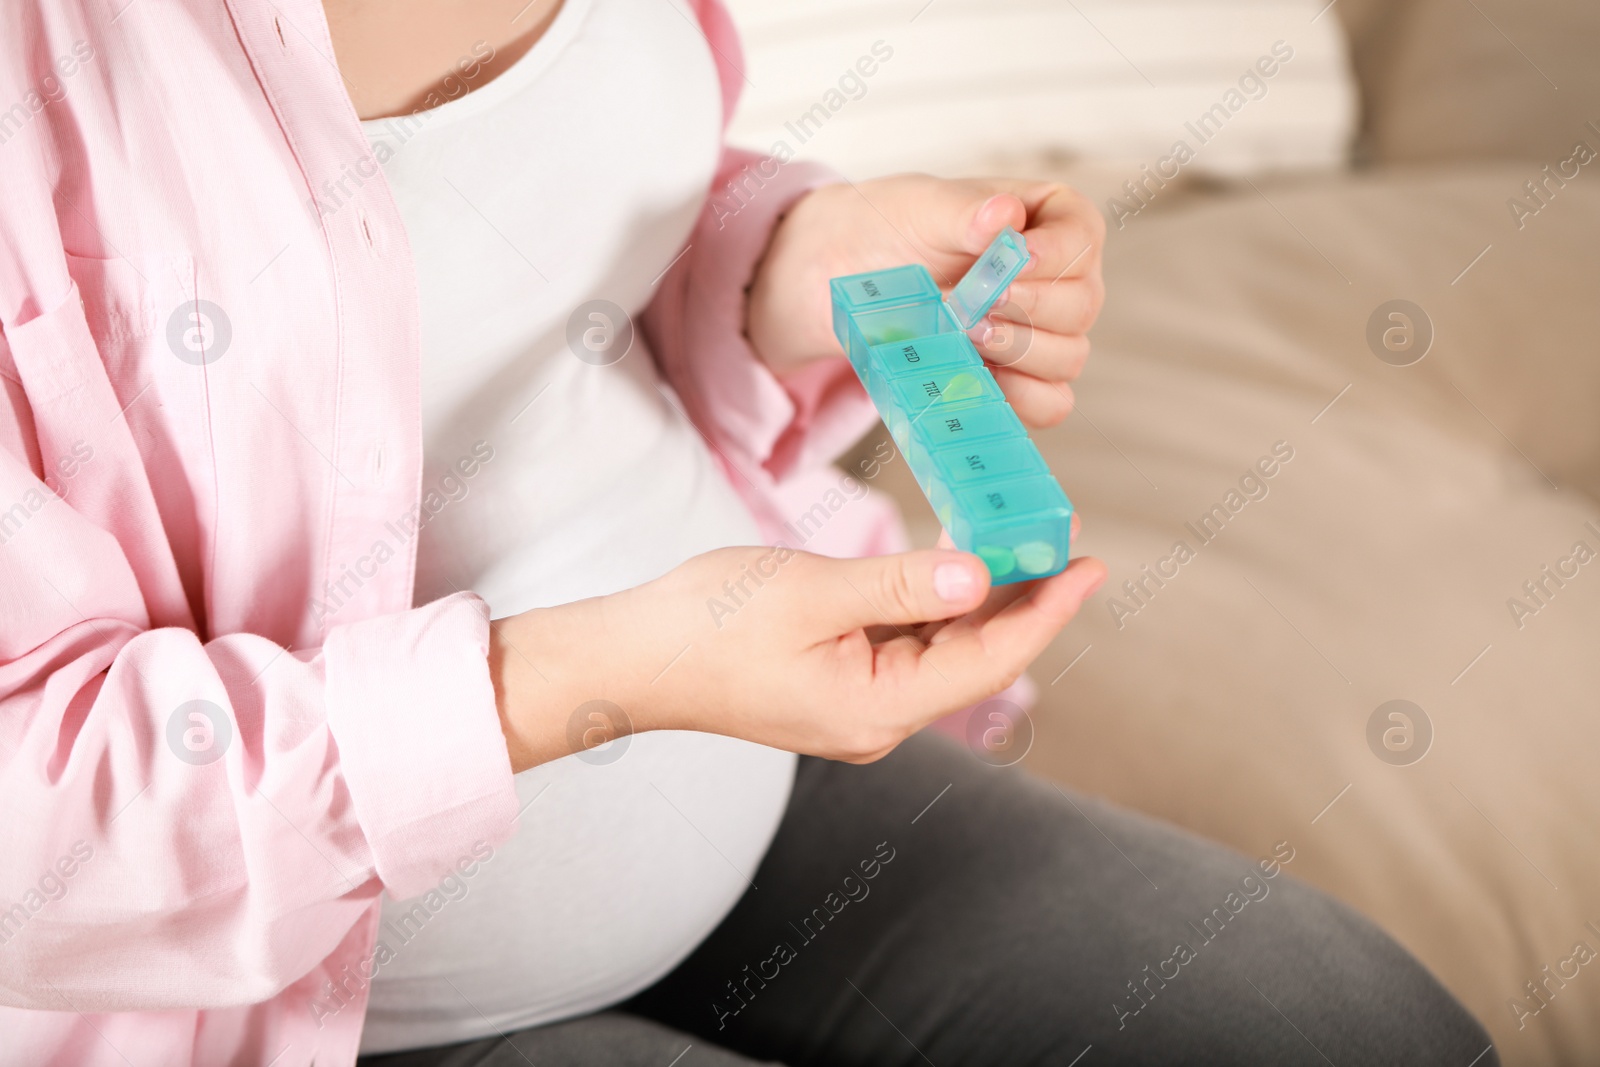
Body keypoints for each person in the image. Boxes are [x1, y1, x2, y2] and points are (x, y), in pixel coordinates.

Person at [0, 1, 1495, 1064]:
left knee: (1355, 1028)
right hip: (313, 1006)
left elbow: (522, 254)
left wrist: (791, 262)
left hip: (755, 783)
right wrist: (602, 676)